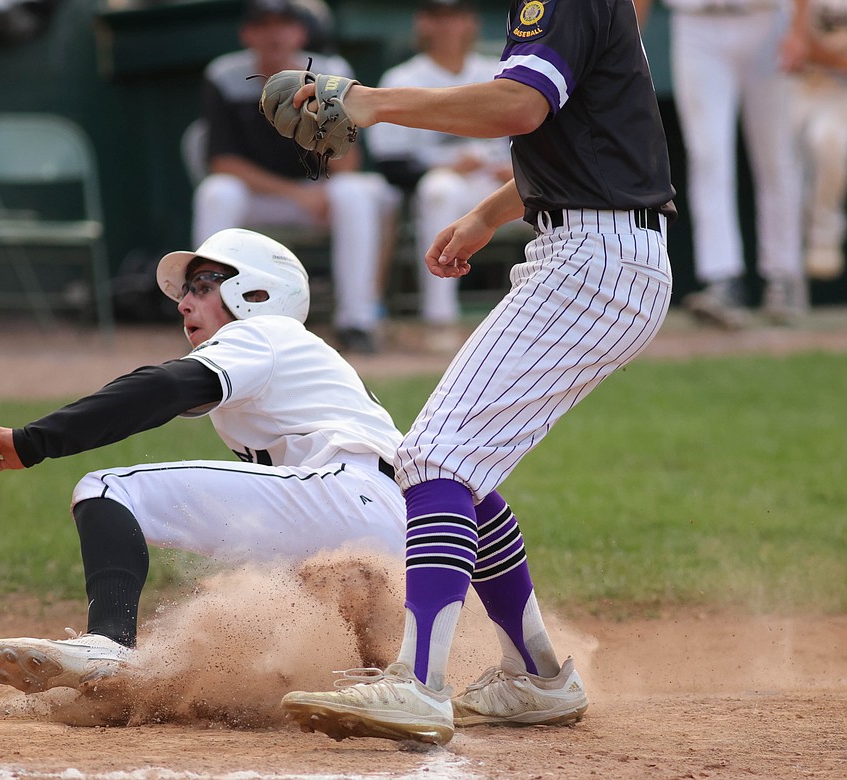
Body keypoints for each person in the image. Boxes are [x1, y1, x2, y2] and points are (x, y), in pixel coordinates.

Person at [272, 0, 676, 745]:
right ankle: (536, 676)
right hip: (598, 250)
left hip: (594, 259)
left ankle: (420, 686)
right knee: (460, 469)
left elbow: (520, 107)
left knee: (435, 458)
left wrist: (373, 102)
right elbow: (589, 137)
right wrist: (493, 212)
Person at [0, 228, 407, 695]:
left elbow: (164, 388)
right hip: (387, 526)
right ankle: (371, 678)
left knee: (109, 490)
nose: (183, 303)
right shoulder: (300, 358)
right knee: (279, 618)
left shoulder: (265, 333)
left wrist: (33, 441)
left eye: (203, 286)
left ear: (254, 294)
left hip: (342, 493)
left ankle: (108, 644)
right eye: (186, 291)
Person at [192, 0, 394, 354]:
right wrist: (295, 194)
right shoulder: (224, 74)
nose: (276, 35)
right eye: (264, 25)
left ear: (300, 32)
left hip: (318, 197)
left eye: (284, 24)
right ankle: (209, 318)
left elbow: (349, 163)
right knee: (217, 192)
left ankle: (357, 321)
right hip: (262, 197)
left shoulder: (330, 72)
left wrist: (314, 109)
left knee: (355, 193)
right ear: (247, 33)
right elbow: (222, 162)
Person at [648, 0, 811, 328]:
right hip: (695, 22)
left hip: (766, 20)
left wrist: (799, 30)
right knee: (707, 155)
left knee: (776, 155)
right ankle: (722, 280)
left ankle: (783, 275)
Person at [365, 0, 515, 335]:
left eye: (456, 15)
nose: (447, 25)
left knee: (545, 185)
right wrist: (448, 165)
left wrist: (517, 169)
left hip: (501, 181)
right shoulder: (402, 77)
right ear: (423, 23)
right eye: (438, 16)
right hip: (446, 184)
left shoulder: (499, 70)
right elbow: (391, 162)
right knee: (439, 189)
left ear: (470, 22)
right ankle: (440, 318)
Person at [793, 0, 847, 281]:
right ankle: (784, 279)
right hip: (800, 86)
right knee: (784, 165)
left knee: (827, 140)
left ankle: (824, 235)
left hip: (840, 93)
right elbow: (794, 47)